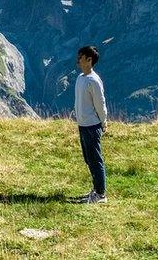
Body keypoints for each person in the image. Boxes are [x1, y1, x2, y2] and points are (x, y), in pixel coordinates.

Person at [74, 45, 107, 203]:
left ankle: (101, 194)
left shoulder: (93, 80)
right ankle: (95, 190)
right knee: (89, 158)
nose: (78, 59)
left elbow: (100, 103)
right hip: (83, 124)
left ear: (89, 59)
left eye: (81, 56)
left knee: (95, 159)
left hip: (92, 125)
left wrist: (103, 121)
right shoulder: (81, 78)